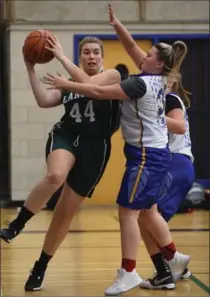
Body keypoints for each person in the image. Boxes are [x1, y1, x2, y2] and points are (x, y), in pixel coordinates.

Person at [42, 18, 189, 296]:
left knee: (127, 213)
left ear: (156, 64)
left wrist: (65, 82)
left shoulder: (139, 84)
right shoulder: (156, 75)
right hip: (156, 154)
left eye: (148, 55)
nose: (141, 56)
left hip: (146, 156)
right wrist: (116, 25)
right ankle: (172, 256)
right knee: (147, 211)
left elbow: (97, 91)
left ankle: (129, 271)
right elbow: (132, 46)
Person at [0, 36, 121, 290]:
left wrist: (62, 58)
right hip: (66, 135)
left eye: (95, 52)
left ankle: (41, 266)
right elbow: (44, 100)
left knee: (64, 214)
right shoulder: (70, 81)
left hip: (95, 147)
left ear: (101, 56)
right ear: (80, 56)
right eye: (86, 52)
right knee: (55, 176)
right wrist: (30, 69)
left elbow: (89, 85)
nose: (91, 56)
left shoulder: (111, 76)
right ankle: (17, 224)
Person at [139, 73, 195, 289]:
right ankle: (177, 267)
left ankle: (167, 267)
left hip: (177, 163)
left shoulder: (170, 99)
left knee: (146, 216)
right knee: (149, 219)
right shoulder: (161, 100)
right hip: (175, 165)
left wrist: (152, 117)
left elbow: (179, 126)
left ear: (169, 82)